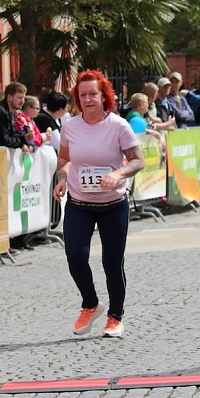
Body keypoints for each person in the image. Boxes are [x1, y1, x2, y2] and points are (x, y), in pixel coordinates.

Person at [53, 70, 144, 338]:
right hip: (79, 202)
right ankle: (90, 304)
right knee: (75, 255)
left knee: (112, 262)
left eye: (93, 94)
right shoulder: (70, 127)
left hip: (113, 203)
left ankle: (115, 316)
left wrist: (118, 173)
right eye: (83, 95)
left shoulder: (119, 126)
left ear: (104, 96)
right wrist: (61, 179)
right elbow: (64, 160)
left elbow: (138, 160)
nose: (88, 99)